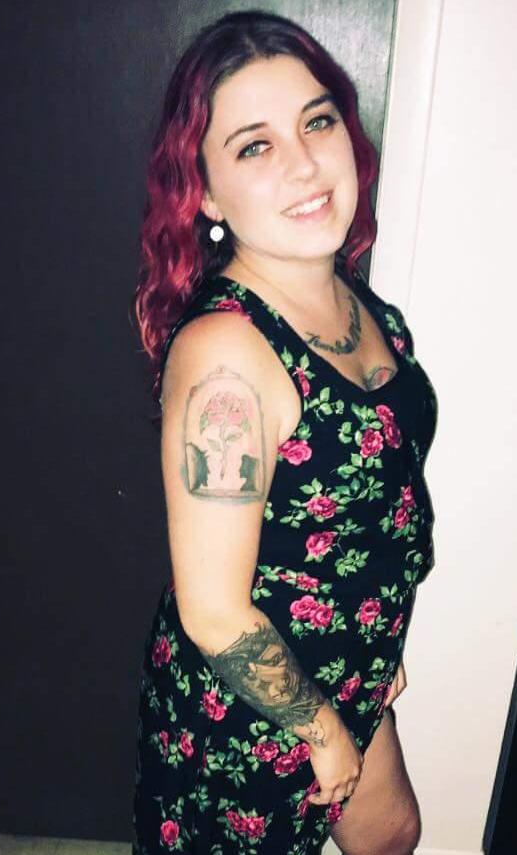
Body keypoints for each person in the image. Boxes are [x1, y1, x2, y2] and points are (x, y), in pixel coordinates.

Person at [130, 10, 438, 854]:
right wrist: (323, 728)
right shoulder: (227, 355)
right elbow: (215, 611)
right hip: (252, 709)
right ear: (206, 192)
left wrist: (379, 643)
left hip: (348, 660)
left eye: (318, 122)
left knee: (390, 833)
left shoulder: (352, 301)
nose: (304, 162)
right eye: (255, 146)